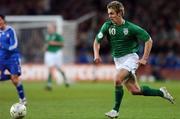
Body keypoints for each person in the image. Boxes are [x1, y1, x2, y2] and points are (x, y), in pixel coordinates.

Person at [93, 1, 174, 118]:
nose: (109, 16)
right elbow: (97, 41)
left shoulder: (131, 28)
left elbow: (148, 40)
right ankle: (162, 92)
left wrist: (144, 58)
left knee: (117, 79)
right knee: (135, 91)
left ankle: (115, 111)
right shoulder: (107, 26)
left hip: (131, 58)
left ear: (120, 13)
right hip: (118, 61)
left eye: (112, 13)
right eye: (109, 13)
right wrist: (96, 54)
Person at [0, 14, 27, 105]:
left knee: (14, 80)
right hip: (1, 59)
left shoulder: (10, 30)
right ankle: (10, 76)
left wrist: (3, 46)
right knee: (6, 77)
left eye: (0, 20)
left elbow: (14, 45)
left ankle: (23, 99)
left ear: (3, 20)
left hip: (12, 58)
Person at [44, 23, 69, 90]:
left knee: (58, 68)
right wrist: (46, 47)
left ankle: (65, 79)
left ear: (54, 29)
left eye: (50, 28)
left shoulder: (58, 36)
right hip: (49, 53)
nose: (49, 29)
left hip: (57, 53)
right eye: (48, 28)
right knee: (50, 67)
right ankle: (49, 84)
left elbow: (62, 44)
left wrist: (53, 43)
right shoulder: (47, 36)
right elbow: (48, 44)